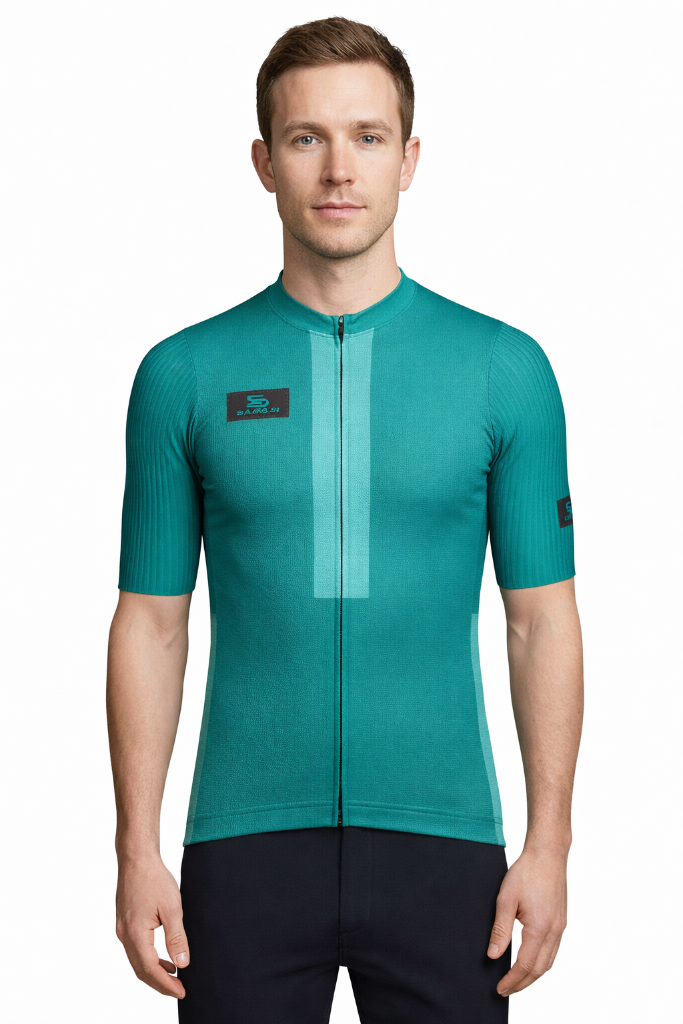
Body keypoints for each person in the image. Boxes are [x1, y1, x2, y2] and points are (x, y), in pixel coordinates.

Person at [107, 16, 583, 1023]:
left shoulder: (503, 370)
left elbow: (541, 619)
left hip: (445, 846)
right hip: (241, 849)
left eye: (367, 137)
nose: (337, 169)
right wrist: (134, 847)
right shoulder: (182, 375)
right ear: (263, 163)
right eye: (305, 137)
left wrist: (549, 844)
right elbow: (150, 622)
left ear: (408, 160)